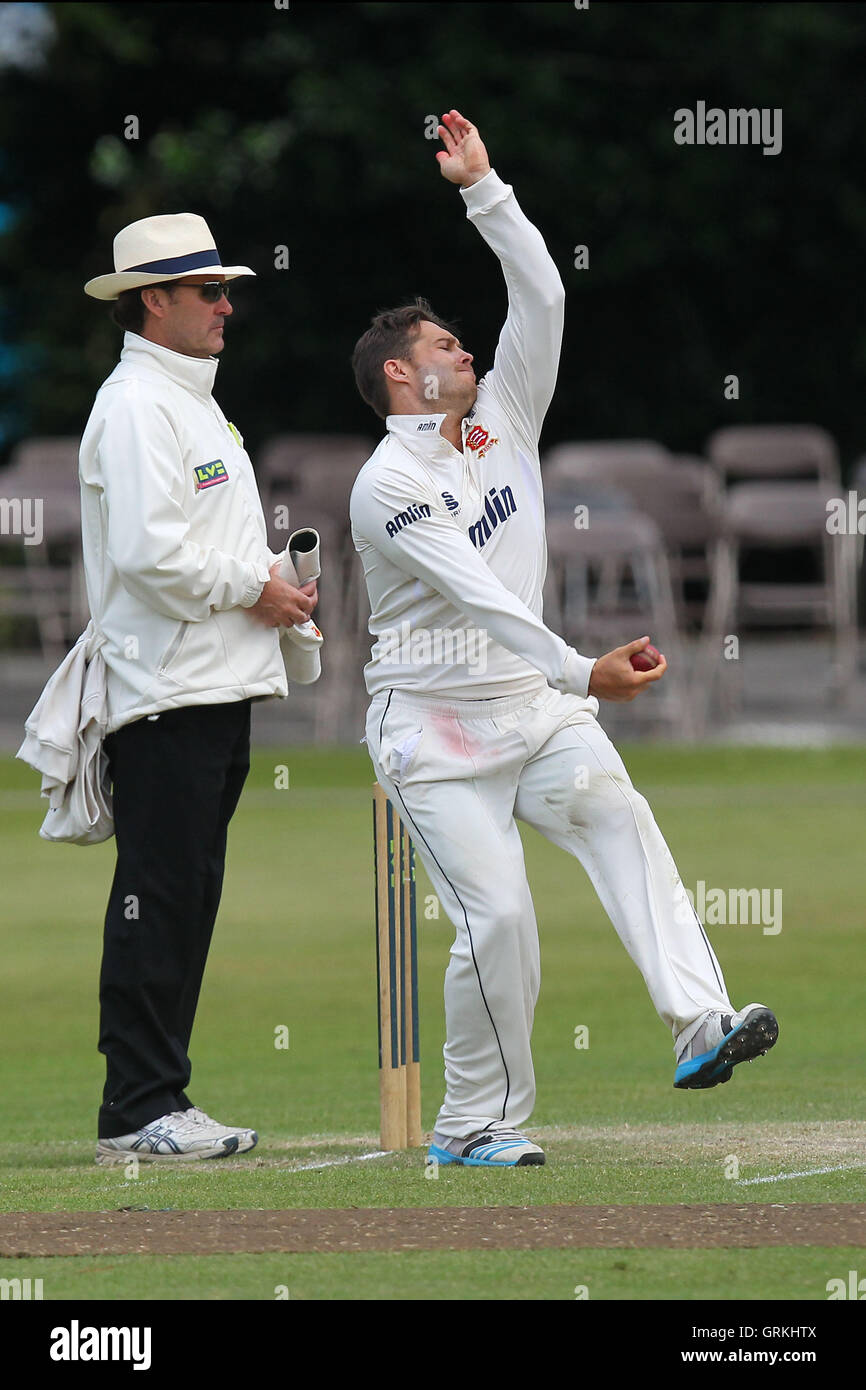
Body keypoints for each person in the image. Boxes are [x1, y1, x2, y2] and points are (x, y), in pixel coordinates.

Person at [349, 111, 778, 1168]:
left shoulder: (503, 412)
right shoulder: (385, 484)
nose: (465, 348)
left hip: (530, 711)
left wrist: (482, 185)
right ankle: (469, 1128)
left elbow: (540, 292)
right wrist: (578, 667)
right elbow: (473, 594)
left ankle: (698, 1023)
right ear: (403, 379)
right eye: (443, 344)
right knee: (497, 923)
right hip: (433, 731)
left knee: (615, 812)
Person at [80, 213, 317, 1163]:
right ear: (154, 300)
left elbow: (200, 549)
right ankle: (137, 1108)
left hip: (216, 687)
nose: (226, 306)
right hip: (164, 692)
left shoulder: (192, 402)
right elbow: (146, 555)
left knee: (187, 898)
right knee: (159, 895)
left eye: (226, 289)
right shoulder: (136, 404)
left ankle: (158, 1098)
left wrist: (272, 584)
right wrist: (250, 584)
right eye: (206, 291)